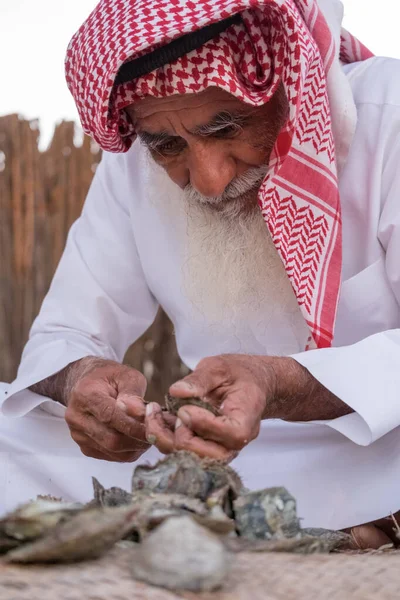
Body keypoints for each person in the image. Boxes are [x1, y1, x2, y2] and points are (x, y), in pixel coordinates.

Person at [1, 0, 400, 549]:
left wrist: (279, 383)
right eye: (169, 147)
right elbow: (62, 335)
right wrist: (81, 380)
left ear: (284, 85)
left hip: (379, 448)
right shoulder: (130, 169)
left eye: (227, 127)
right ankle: (325, 527)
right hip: (217, 463)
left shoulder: (390, 115)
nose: (209, 182)